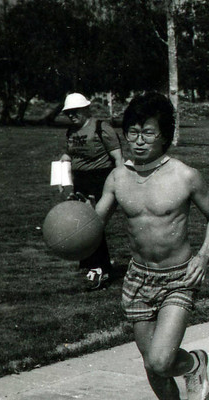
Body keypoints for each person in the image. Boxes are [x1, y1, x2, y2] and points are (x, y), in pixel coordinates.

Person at [95, 91, 209, 400]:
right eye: (132, 132)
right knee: (152, 367)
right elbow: (94, 223)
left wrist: (203, 257)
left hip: (179, 277)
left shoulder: (185, 176)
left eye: (148, 133)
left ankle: (194, 362)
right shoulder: (117, 179)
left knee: (162, 359)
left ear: (164, 135)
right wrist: (71, 225)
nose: (138, 140)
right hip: (138, 280)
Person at [60, 92, 123, 289]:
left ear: (86, 109)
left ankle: (98, 268)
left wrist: (120, 182)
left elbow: (118, 158)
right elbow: (69, 154)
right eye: (69, 113)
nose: (72, 116)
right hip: (81, 181)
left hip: (101, 179)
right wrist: (62, 172)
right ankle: (95, 264)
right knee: (83, 224)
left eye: (75, 111)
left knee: (94, 223)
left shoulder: (101, 127)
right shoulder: (71, 131)